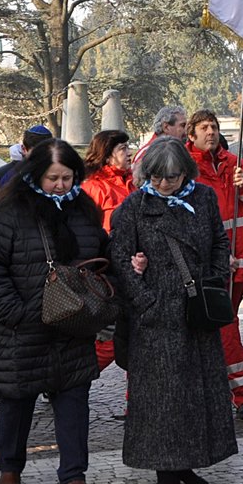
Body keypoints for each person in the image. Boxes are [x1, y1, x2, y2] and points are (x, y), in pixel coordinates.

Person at [0, 138, 109, 484]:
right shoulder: (10, 211)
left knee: (73, 400)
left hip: (71, 324)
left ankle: (73, 477)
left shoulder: (83, 210)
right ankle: (10, 472)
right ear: (36, 175)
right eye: (53, 178)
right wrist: (15, 313)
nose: (61, 185)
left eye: (67, 177)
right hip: (21, 326)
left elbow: (102, 254)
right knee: (17, 401)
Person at [107, 135, 238, 484]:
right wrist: (145, 299)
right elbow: (120, 257)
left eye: (173, 177)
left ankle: (190, 461)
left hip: (197, 310)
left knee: (198, 392)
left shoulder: (204, 198)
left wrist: (213, 281)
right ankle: (164, 467)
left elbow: (219, 242)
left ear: (186, 173)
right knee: (162, 397)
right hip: (157, 315)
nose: (164, 184)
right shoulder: (135, 207)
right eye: (157, 177)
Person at [185, 109, 243, 420]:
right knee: (225, 325)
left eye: (215, 127)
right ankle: (242, 393)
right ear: (191, 135)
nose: (211, 132)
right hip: (211, 265)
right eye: (205, 127)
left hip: (239, 263)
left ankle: (218, 389)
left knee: (222, 325)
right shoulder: (186, 168)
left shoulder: (238, 166)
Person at [81, 129, 134, 377]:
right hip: (108, 274)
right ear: (106, 154)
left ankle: (135, 404)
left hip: (135, 271)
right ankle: (75, 379)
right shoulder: (92, 187)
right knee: (109, 341)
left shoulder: (133, 182)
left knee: (134, 341)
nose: (129, 153)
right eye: (122, 149)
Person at [130, 104, 186, 168]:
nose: (185, 132)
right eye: (182, 125)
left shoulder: (177, 150)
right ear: (166, 127)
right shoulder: (147, 153)